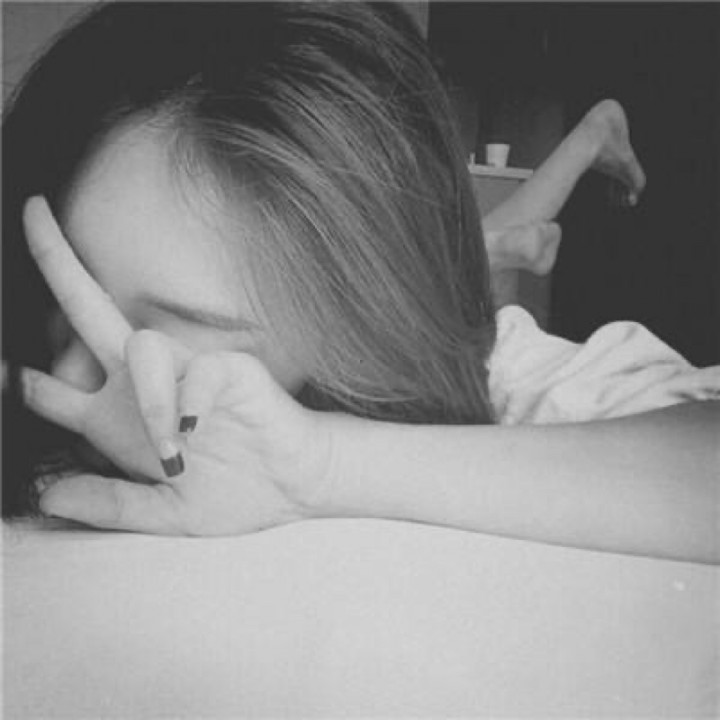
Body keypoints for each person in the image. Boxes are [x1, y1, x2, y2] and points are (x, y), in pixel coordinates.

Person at [3, 2, 718, 563]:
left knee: (473, 273)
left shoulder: (516, 374)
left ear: (352, 351)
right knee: (478, 248)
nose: (65, 379)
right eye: (60, 304)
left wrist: (318, 462)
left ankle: (588, 139)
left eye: (155, 334)